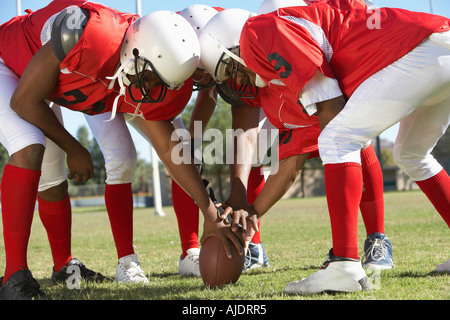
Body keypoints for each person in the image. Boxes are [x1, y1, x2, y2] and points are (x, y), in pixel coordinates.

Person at [0, 0, 243, 300]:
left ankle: (63, 266)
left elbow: (170, 150)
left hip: (48, 87)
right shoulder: (89, 34)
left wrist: (209, 211)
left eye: (161, 83)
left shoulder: (151, 68)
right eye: (151, 77)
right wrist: (74, 147)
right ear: (136, 53)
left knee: (52, 180)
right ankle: (14, 276)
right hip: (8, 64)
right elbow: (24, 101)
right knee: (30, 145)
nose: (153, 89)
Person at [209, 1, 450, 294]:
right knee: (411, 154)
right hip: (436, 47)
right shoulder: (275, 83)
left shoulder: (259, 30)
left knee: (337, 138)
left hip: (418, 47)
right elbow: (290, 167)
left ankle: (343, 266)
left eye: (225, 70)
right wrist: (254, 215)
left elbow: (331, 108)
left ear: (232, 47)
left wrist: (340, 141)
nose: (229, 81)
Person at [172, 4, 269, 277]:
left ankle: (254, 244)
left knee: (257, 153)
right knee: (181, 153)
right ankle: (190, 249)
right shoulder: (176, 40)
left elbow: (243, 124)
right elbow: (208, 92)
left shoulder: (231, 38)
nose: (200, 78)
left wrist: (237, 191)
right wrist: (192, 142)